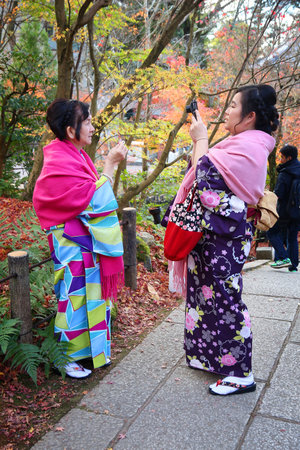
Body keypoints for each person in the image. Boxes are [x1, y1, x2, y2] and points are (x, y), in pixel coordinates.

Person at [163, 85, 279, 395]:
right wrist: (201, 145)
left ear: (250, 116)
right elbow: (204, 172)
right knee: (205, 298)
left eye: (233, 106)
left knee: (226, 301)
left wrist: (201, 140)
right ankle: (214, 357)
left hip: (223, 239)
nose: (227, 111)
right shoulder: (241, 142)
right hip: (214, 237)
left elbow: (206, 189)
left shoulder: (251, 147)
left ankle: (240, 373)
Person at [33, 99, 128, 378]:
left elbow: (89, 194)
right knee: (73, 297)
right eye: (86, 121)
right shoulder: (59, 158)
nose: (91, 126)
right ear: (71, 130)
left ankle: (91, 352)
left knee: (92, 296)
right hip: (71, 243)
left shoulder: (75, 155)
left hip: (84, 241)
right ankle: (65, 358)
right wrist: (110, 165)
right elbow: (93, 201)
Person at [267, 145, 300, 272]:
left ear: (289, 157)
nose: (280, 160)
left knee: (271, 231)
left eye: (282, 157)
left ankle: (283, 257)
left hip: (285, 210)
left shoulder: (285, 172)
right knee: (292, 236)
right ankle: (293, 265)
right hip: (297, 210)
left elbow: (279, 193)